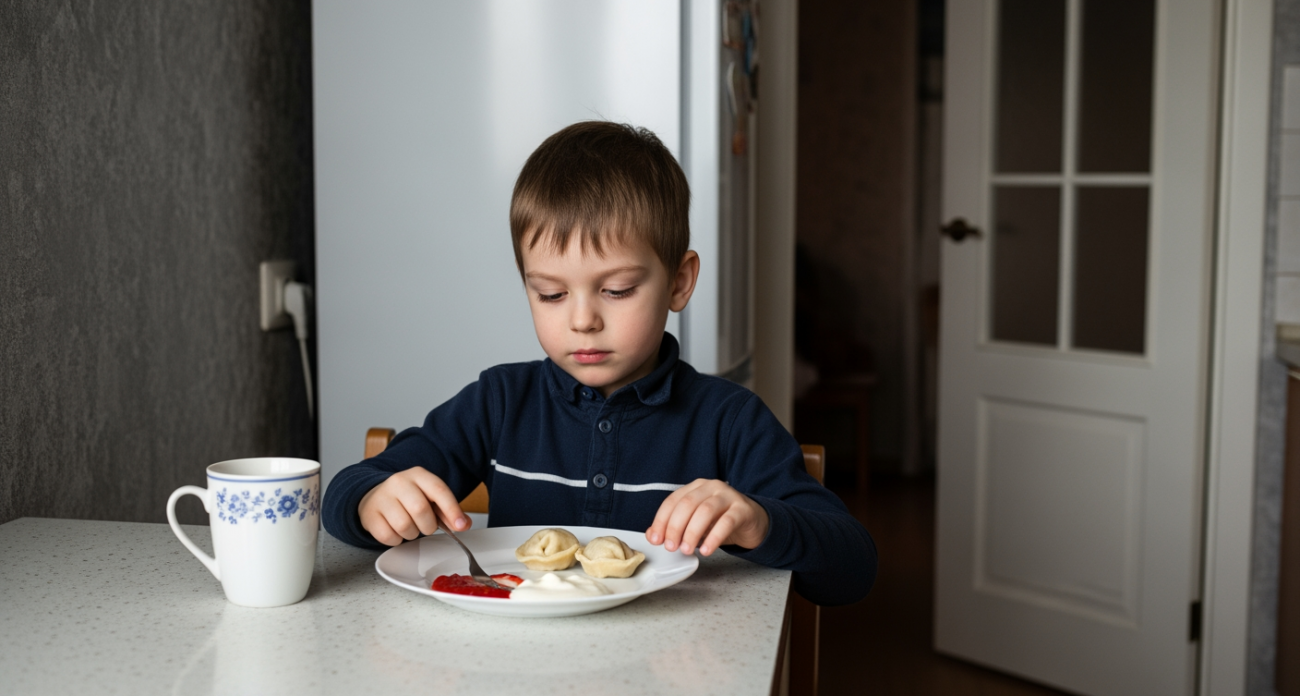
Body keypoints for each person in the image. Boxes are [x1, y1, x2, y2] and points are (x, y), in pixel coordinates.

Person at [322, 121, 877, 606]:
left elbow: (851, 570)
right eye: (550, 295)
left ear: (679, 282)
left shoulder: (729, 421)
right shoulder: (498, 403)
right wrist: (374, 501)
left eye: (616, 290)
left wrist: (761, 521)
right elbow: (347, 493)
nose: (582, 320)